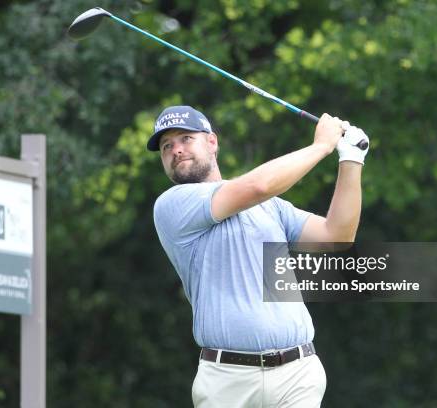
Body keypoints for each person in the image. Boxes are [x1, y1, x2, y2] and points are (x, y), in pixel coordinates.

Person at [149, 105, 369, 407]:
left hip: (297, 374)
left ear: (212, 142)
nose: (176, 150)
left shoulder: (271, 206)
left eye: (186, 139)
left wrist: (351, 159)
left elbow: (337, 238)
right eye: (166, 146)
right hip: (227, 380)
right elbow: (258, 185)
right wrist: (321, 146)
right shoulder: (171, 206)